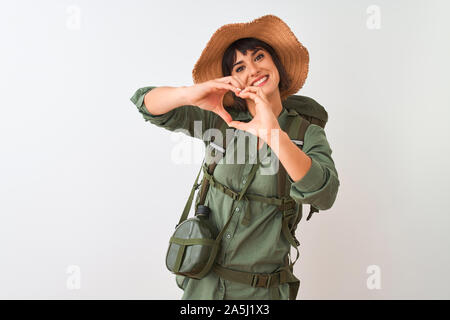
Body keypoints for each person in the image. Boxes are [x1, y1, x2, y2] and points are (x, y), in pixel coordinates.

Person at [130, 14, 340, 300]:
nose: (253, 69)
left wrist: (274, 134)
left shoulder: (306, 134)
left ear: (276, 64)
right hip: (202, 286)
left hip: (262, 294)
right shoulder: (220, 120)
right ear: (233, 80)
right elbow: (146, 103)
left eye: (259, 57)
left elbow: (324, 195)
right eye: (240, 67)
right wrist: (191, 94)